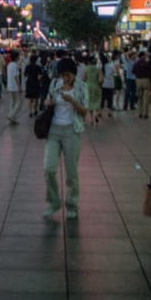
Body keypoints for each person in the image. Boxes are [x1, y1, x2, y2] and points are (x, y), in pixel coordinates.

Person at [43, 57, 88, 220]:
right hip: (53, 130)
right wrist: (47, 102)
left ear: (74, 74)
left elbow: (85, 111)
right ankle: (53, 202)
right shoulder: (54, 84)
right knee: (49, 168)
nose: (65, 78)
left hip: (72, 130)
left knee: (71, 172)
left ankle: (72, 204)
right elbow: (47, 100)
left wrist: (73, 101)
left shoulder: (82, 87)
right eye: (62, 75)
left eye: (67, 75)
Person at [133, 48, 151, 118]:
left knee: (139, 98)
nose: (146, 56)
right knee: (146, 98)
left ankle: (140, 113)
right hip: (146, 80)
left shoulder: (136, 64)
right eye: (145, 55)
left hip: (138, 81)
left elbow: (133, 71)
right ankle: (145, 113)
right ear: (143, 56)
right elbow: (150, 71)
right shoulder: (147, 63)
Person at [23, 52, 42, 118]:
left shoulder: (27, 66)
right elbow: (39, 77)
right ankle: (35, 110)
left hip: (29, 83)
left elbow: (25, 74)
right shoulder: (38, 67)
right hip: (36, 83)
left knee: (30, 99)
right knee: (36, 98)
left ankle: (30, 112)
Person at [6, 50, 22, 124]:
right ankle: (11, 115)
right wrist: (19, 86)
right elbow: (16, 77)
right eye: (18, 56)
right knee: (19, 102)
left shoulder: (9, 65)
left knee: (12, 102)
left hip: (10, 86)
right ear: (16, 57)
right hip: (15, 87)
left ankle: (13, 119)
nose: (19, 57)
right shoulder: (15, 65)